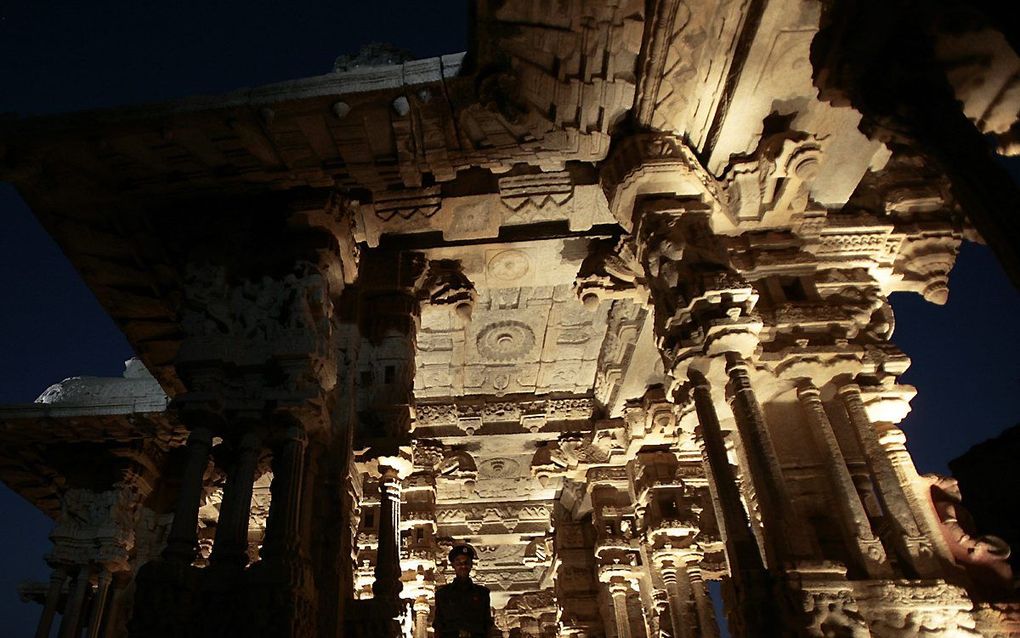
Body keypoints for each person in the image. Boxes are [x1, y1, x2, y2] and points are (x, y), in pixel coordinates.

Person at [433, 543, 495, 638]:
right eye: (459, 563)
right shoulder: (443, 594)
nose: (463, 566)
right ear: (453, 565)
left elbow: (487, 625)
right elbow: (438, 625)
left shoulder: (482, 593)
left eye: (466, 562)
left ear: (471, 565)